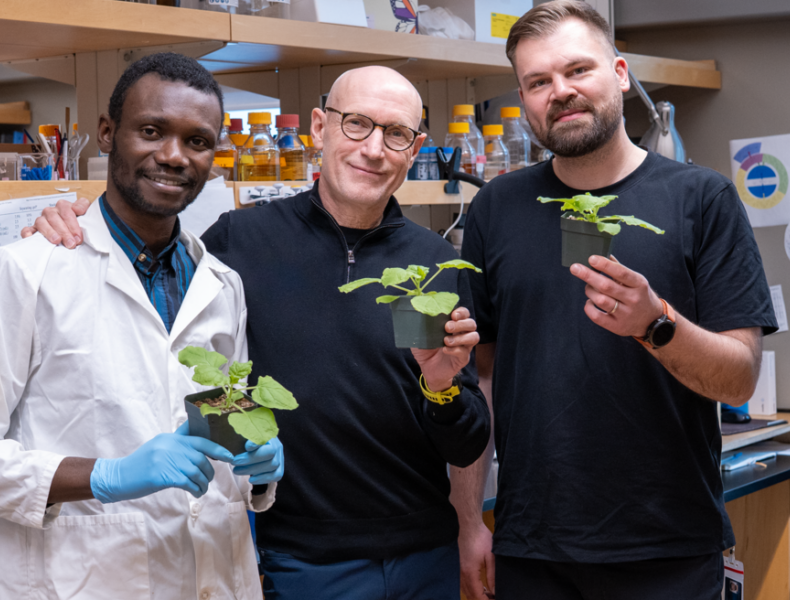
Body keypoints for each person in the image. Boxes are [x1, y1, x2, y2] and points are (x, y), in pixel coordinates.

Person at [25, 65, 491, 599]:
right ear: (319, 128)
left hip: (423, 558)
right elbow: (138, 265)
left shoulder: (433, 265)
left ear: (415, 148)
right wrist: (67, 221)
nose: (374, 148)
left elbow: (467, 439)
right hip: (296, 560)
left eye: (397, 133)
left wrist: (441, 387)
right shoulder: (238, 243)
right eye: (357, 124)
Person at [0, 53, 286, 600]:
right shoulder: (25, 271)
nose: (173, 156)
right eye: (151, 131)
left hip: (217, 579)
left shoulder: (222, 283)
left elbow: (220, 427)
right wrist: (102, 475)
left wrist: (258, 469)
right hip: (86, 582)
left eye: (198, 141)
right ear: (108, 133)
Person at [449, 2, 777, 599]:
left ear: (621, 73)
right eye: (538, 82)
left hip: (669, 547)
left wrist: (656, 324)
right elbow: (484, 379)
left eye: (579, 71)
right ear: (524, 99)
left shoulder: (702, 199)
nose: (561, 92)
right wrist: (470, 521)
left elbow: (739, 380)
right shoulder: (496, 208)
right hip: (533, 547)